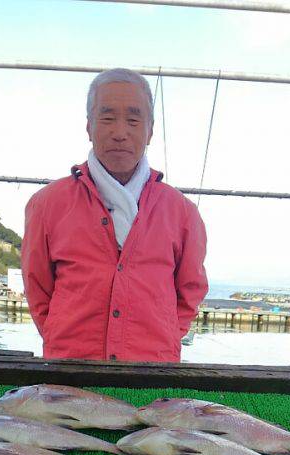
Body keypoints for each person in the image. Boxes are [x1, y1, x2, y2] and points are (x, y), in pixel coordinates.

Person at [21, 68, 208, 362]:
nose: (120, 132)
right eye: (107, 118)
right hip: (69, 370)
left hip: (153, 372)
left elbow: (190, 292)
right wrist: (64, 339)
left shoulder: (183, 212)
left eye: (133, 120)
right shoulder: (47, 204)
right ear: (88, 126)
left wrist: (165, 335)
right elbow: (38, 288)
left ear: (150, 130)